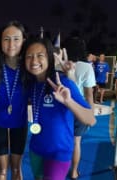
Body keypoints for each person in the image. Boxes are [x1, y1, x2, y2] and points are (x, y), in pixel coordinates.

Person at [21, 38, 96, 180]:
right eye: (29, 56)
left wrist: (68, 101)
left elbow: (91, 120)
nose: (34, 60)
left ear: (49, 57)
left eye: (40, 55)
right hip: (36, 148)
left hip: (59, 152)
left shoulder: (64, 83)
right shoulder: (31, 84)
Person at [0, 20, 27, 180]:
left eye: (16, 39)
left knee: (16, 170)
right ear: (0, 42)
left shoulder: (29, 67)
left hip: (20, 124)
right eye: (6, 39)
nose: (11, 43)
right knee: (1, 170)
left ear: (23, 41)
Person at [61, 37, 96, 179]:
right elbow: (89, 95)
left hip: (63, 107)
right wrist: (90, 114)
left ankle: (59, 170)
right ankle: (74, 171)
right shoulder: (86, 67)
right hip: (79, 109)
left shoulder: (60, 64)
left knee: (62, 140)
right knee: (76, 142)